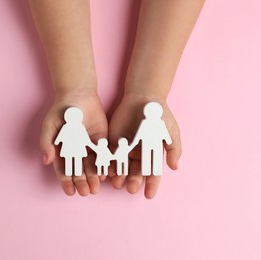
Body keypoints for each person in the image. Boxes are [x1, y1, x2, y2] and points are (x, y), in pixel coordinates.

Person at [31, 0, 204, 198]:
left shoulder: (79, 128)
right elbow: (90, 140)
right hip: (81, 148)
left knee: (149, 160)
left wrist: (148, 91)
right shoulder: (76, 127)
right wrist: (74, 88)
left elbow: (136, 138)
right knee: (78, 162)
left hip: (96, 147)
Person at [54, 107, 94, 177]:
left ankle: (77, 171)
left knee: (75, 159)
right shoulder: (67, 127)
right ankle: (70, 171)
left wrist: (89, 143)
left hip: (72, 146)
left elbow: (85, 137)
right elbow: (61, 135)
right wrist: (57, 141)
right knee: (71, 159)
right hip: (72, 146)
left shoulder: (78, 127)